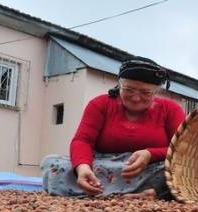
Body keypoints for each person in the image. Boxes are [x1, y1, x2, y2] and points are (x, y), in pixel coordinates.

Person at [41, 56, 186, 198]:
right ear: (119, 85)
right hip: (103, 166)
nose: (136, 98)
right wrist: (83, 167)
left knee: (181, 170)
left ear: (156, 92)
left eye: (145, 92)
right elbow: (83, 141)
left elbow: (182, 149)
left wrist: (150, 154)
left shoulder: (171, 109)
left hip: (149, 170)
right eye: (129, 89)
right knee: (52, 163)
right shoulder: (100, 104)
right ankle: (101, 186)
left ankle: (154, 192)